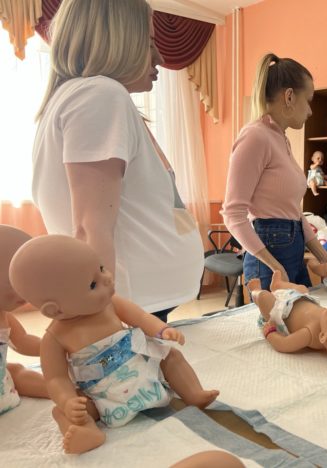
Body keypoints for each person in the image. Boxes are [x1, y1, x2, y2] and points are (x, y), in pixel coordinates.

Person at [32, 0, 203, 322]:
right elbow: (89, 227)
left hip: (137, 300)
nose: (160, 57)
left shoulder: (87, 97)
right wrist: (100, 318)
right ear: (117, 41)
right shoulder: (99, 95)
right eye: (150, 44)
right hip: (128, 303)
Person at [9, 235, 219, 454]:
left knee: (171, 356)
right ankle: (88, 432)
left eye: (101, 269)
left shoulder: (110, 303)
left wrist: (162, 330)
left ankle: (193, 393)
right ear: (55, 310)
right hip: (101, 395)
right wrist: (68, 401)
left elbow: (139, 316)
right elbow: (56, 378)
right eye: (93, 284)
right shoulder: (54, 337)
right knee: (61, 411)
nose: (107, 279)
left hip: (143, 369)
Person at [222, 53, 327, 292]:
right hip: (269, 256)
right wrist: (274, 266)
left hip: (292, 248)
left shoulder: (281, 139)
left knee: (308, 321)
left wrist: (325, 258)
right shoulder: (255, 136)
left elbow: (294, 213)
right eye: (309, 99)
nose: (311, 111)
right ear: (290, 96)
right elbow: (233, 214)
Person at [250, 271, 327, 368]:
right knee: (303, 288)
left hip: (280, 311)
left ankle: (255, 291)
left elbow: (284, 344)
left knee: (264, 297)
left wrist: (270, 333)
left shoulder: (310, 333)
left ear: (322, 336)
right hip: (298, 298)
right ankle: (278, 286)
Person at [0, 225, 48, 414]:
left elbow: (21, 341)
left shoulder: (4, 315)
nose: (26, 291)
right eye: (14, 282)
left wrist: (54, 348)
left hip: (4, 388)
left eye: (29, 281)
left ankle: (64, 392)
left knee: (16, 371)